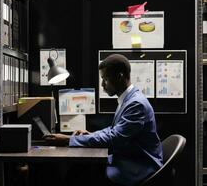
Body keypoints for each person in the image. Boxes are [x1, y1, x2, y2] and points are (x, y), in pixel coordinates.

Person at [44, 54, 163, 186]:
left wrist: (68, 139)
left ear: (120, 76)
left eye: (105, 79)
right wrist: (91, 134)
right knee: (77, 172)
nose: (102, 84)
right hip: (129, 158)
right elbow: (114, 130)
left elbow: (114, 138)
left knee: (79, 176)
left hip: (138, 166)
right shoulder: (129, 99)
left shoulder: (136, 104)